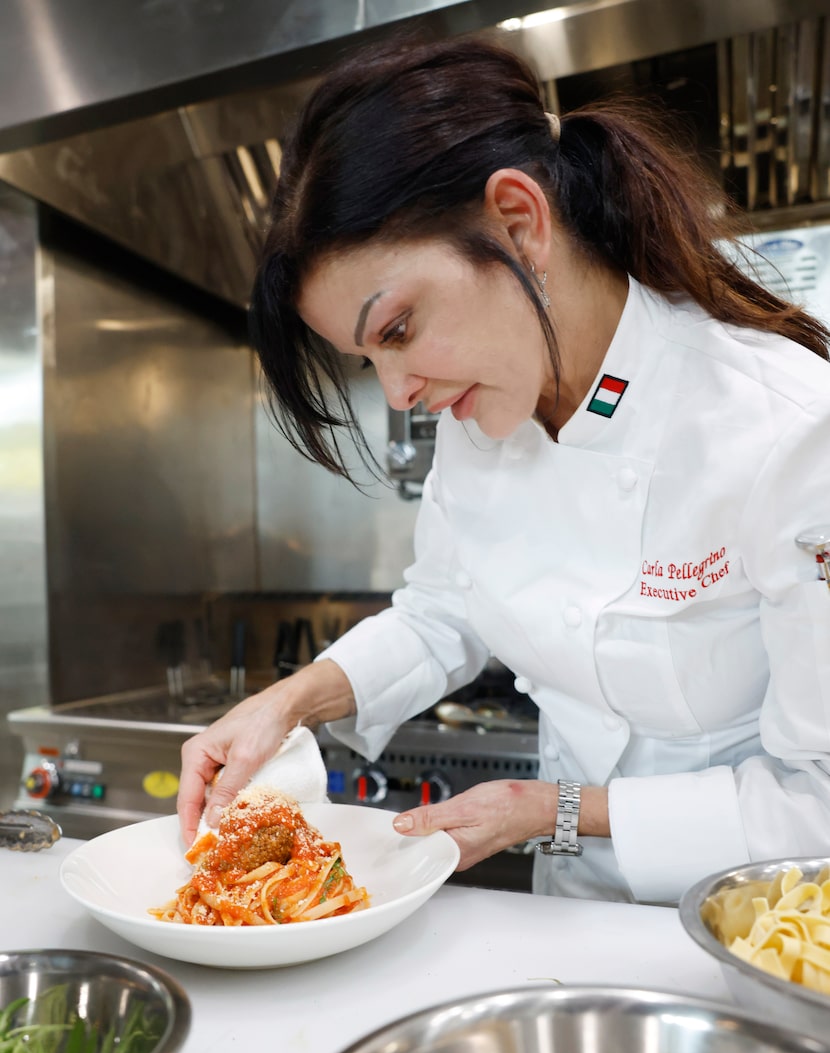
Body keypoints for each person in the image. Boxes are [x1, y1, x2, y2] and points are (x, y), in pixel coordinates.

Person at [177, 34, 830, 904]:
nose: (400, 394)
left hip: (751, 917)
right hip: (568, 913)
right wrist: (287, 702)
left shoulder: (787, 427)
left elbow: (819, 800)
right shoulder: (486, 415)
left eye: (399, 329)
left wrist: (551, 810)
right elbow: (445, 610)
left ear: (519, 223)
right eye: (369, 360)